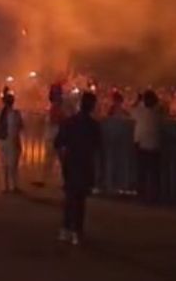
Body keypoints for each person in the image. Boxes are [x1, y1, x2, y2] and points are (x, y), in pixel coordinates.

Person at [56, 92, 101, 245]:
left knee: (69, 198)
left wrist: (63, 159)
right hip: (84, 164)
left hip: (70, 163)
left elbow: (58, 143)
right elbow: (97, 147)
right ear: (92, 106)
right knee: (80, 200)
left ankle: (65, 229)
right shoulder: (94, 125)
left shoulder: (69, 122)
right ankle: (76, 232)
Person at [131, 89, 163, 203]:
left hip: (143, 145)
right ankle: (152, 197)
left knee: (143, 173)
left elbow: (131, 110)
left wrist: (137, 100)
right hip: (153, 145)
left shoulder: (141, 111)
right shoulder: (158, 111)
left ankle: (143, 196)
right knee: (152, 174)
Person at [34, 84, 67, 188]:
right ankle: (43, 179)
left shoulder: (60, 107)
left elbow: (58, 120)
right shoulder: (54, 106)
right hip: (52, 136)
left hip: (58, 136)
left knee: (62, 160)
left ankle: (65, 181)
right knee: (50, 160)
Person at [101, 90, 132, 195]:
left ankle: (113, 184)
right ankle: (114, 184)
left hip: (114, 139)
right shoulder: (114, 110)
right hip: (116, 139)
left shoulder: (119, 111)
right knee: (115, 162)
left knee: (114, 162)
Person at [0, 91, 24, 193]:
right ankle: (12, 186)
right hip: (11, 141)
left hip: (1, 141)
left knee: (4, 165)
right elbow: (20, 126)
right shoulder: (15, 114)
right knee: (12, 165)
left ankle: (5, 186)